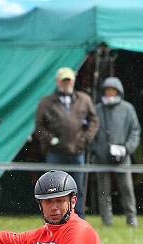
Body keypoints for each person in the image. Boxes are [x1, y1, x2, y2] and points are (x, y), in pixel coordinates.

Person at [34, 67, 98, 218]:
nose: (66, 83)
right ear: (57, 82)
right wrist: (51, 140)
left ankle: (78, 217)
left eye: (68, 80)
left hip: (78, 151)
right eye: (63, 80)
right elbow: (39, 126)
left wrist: (86, 137)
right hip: (55, 153)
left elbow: (94, 121)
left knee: (78, 189)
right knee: (53, 188)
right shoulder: (46, 102)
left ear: (74, 81)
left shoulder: (84, 99)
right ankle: (53, 217)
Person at [90, 77, 141, 227]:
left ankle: (131, 219)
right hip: (101, 158)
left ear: (119, 92)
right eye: (107, 90)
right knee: (103, 191)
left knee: (127, 189)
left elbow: (135, 131)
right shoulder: (97, 109)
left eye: (113, 90)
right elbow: (90, 133)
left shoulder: (128, 109)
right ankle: (107, 221)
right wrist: (97, 149)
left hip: (123, 157)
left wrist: (126, 149)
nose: (110, 93)